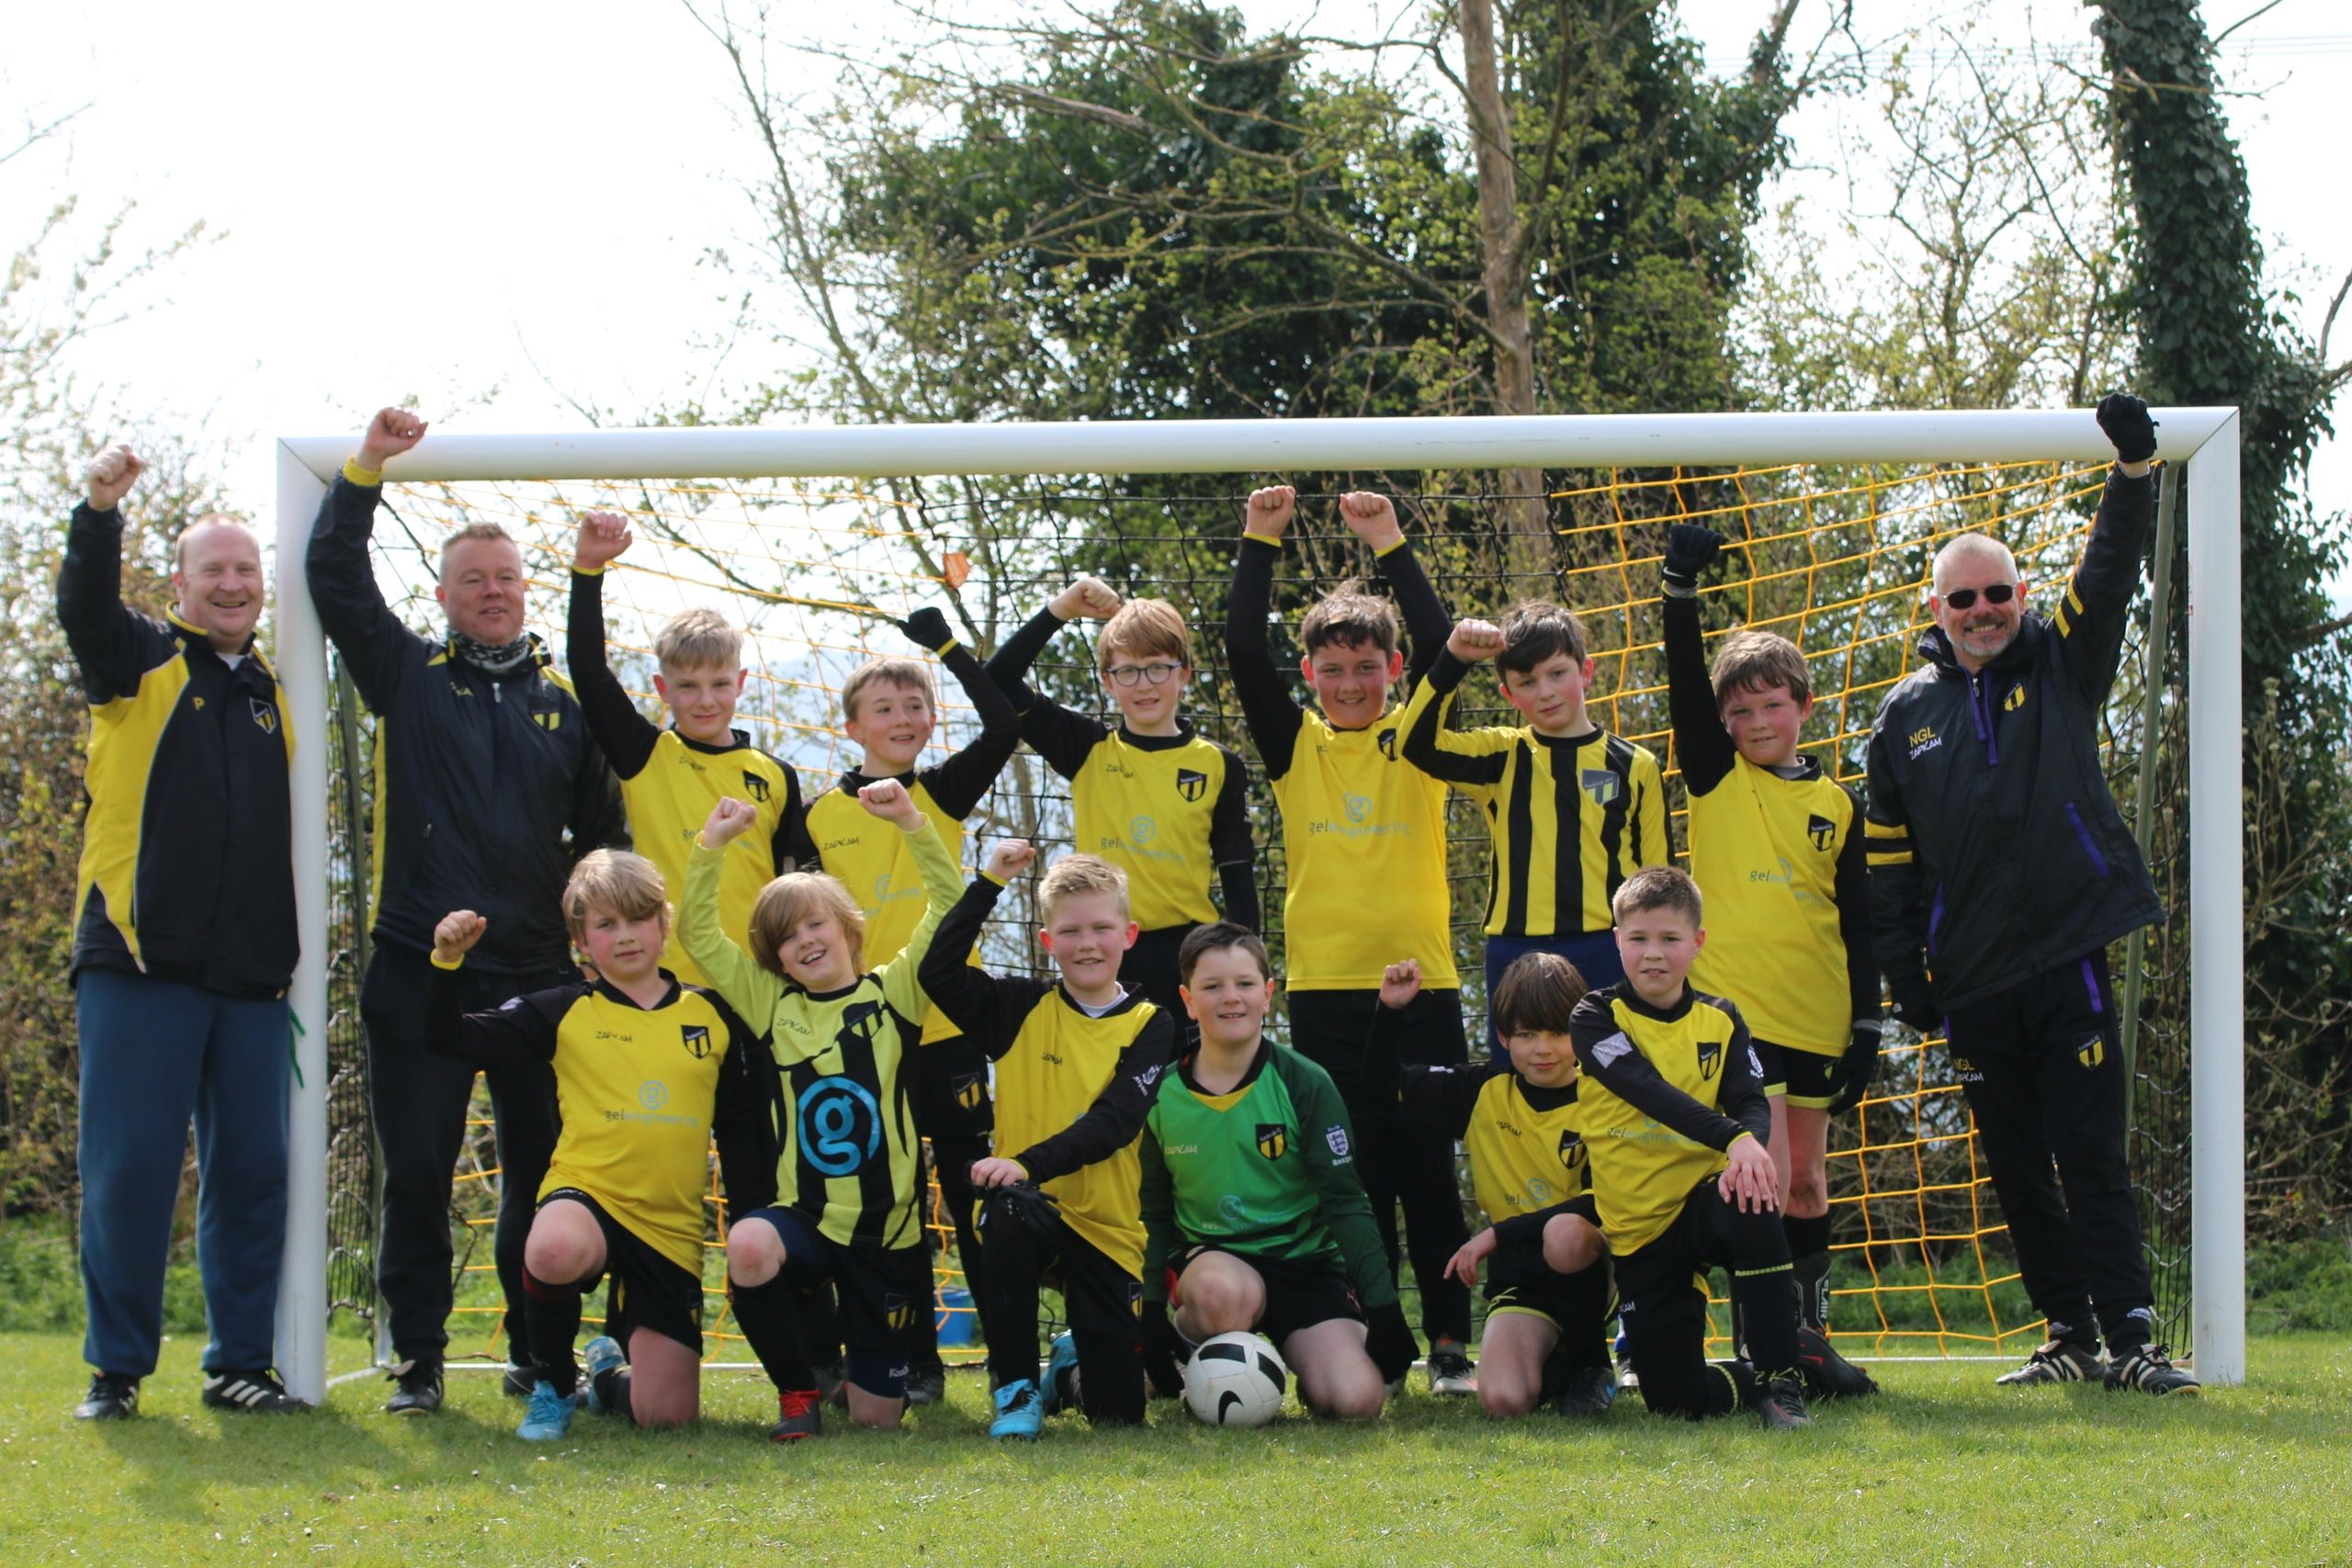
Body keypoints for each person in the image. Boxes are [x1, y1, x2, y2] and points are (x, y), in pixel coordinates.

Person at [1865, 393, 2195, 1394]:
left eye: (1996, 593)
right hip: (1969, 980)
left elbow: (2106, 570)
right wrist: (1903, 975)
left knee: (2088, 1151)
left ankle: (2134, 1335)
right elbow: (1888, 863)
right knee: (2012, 1163)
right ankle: (2067, 1331)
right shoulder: (1901, 717)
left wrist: (2131, 471)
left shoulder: (2060, 662)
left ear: (2018, 594)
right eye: (1961, 600)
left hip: (2066, 959)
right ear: (1934, 611)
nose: (1981, 612)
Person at [306, 408, 629, 1415]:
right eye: (472, 580)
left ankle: (543, 1358)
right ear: (444, 598)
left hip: (538, 976)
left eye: (506, 578)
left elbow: (603, 851)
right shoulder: (406, 677)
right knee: (417, 1174)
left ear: (523, 590)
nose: (492, 593)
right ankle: (417, 1360)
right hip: (420, 969)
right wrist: (365, 470)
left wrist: (596, 957)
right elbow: (334, 579)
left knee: (544, 1177)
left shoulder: (564, 708)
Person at [58, 444, 308, 1418]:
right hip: (137, 962)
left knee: (253, 1174)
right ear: (181, 585)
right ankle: (114, 1372)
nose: (235, 585)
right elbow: (82, 608)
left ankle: (239, 1364)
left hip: (250, 980)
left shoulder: (280, 694)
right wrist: (98, 512)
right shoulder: (140, 663)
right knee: (130, 1174)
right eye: (216, 571)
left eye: (247, 571)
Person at [1222, 486, 1475, 1394]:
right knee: (1355, 1179)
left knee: (1429, 1176)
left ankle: (1451, 1342)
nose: (1351, 683)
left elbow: (1453, 642)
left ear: (1393, 668)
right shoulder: (1297, 750)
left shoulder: (1417, 739)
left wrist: (1389, 539)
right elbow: (1242, 647)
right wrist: (1261, 539)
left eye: (1366, 666)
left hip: (1428, 988)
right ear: (1310, 676)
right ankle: (1385, 1336)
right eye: (1332, 670)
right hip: (1328, 996)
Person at [424, 851, 769, 1439]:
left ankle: (604, 1377)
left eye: (637, 919)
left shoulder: (713, 1014)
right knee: (553, 1247)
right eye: (605, 925)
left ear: (664, 922)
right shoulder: (562, 1009)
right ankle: (554, 1385)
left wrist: (750, 1222)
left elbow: (741, 1131)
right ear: (581, 940)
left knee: (667, 1418)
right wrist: (446, 963)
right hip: (590, 1196)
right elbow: (450, 1038)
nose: (625, 936)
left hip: (670, 1225)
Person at [1657, 526, 1881, 1393]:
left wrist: (1866, 1020)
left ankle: (1809, 1336)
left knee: (1810, 1182)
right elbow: (1684, 686)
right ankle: (1767, 1345)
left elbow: (1858, 923)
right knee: (1762, 1176)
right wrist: (1679, 591)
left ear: (1805, 705)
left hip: (1818, 1014)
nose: (1755, 722)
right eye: (1739, 711)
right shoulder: (1715, 777)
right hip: (1740, 1017)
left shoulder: (1839, 804)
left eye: (1770, 706)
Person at [779, 607, 1019, 1403]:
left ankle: (1008, 1356)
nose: (904, 718)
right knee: (887, 1202)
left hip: (948, 1024)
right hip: (862, 1037)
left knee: (972, 1186)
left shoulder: (944, 791)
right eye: (884, 708)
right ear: (852, 728)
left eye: (915, 706)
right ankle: (910, 1360)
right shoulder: (815, 816)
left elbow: (1004, 721)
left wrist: (946, 647)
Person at [686, 777, 963, 1437]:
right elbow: (696, 932)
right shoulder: (771, 1003)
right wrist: (711, 846)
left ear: (848, 927)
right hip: (805, 1219)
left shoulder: (895, 993)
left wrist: (911, 824)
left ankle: (860, 1367)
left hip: (884, 1235)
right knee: (748, 1244)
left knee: (876, 1423)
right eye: (787, 937)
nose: (805, 941)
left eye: (816, 923)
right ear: (775, 957)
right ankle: (796, 1390)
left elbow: (950, 907)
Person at [917, 845, 1176, 1439]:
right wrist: (990, 881)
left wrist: (1024, 1162)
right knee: (1005, 1214)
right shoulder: (1019, 1008)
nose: (1088, 942)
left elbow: (1113, 1122)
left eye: (1101, 928)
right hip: (1029, 1209)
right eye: (1071, 930)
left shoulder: (1151, 1023)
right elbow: (937, 972)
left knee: (1118, 1414)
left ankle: (1069, 1372)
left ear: (1129, 934)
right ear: (1046, 940)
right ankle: (1015, 1388)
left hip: (1106, 1226)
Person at [1136, 924, 1419, 1419]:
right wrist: (1152, 1313)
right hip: (1217, 1265)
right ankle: (1189, 1344)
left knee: (1357, 1401)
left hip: (1305, 1265)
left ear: (1268, 995)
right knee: (1225, 1297)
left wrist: (1383, 1308)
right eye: (1213, 986)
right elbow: (1155, 1216)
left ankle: (1306, 1362)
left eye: (1245, 984)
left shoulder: (1304, 1082)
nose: (1231, 999)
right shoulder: (1160, 1096)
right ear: (1186, 999)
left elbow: (1346, 1202)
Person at [1568, 867, 1812, 1428]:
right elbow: (1648, 1092)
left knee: (1752, 1195)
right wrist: (1734, 1137)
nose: (1654, 954)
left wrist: (1748, 1143)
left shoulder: (1722, 1019)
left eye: (1670, 939)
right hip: (1640, 1232)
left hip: (1704, 1199)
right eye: (1639, 939)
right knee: (1676, 1402)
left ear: (1697, 943)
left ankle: (1781, 1380)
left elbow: (1750, 1099)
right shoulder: (1594, 1016)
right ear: (1617, 940)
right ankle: (1802, 1364)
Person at [983, 579, 1258, 1014]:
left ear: (1184, 673)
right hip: (1103, 955)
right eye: (1127, 671)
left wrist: (1244, 973)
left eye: (1158, 668)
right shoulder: (1086, 747)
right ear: (1108, 682)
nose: (1143, 684)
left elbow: (1238, 876)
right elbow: (996, 678)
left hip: (1190, 957)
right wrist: (1064, 608)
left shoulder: (1219, 764)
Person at [1364, 952, 1617, 1419]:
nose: (1543, 1048)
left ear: (1578, 1031)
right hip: (1519, 1275)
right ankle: (1557, 1364)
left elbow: (1598, 1204)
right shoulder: (1482, 1091)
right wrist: (1390, 1012)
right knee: (1503, 1400)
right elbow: (1381, 1088)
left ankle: (1591, 1364)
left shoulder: (1603, 1095)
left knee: (1563, 1234)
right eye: (1526, 1034)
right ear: (1503, 1036)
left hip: (1592, 1263)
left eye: (1558, 1032)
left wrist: (1496, 1234)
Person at [567, 508, 803, 987]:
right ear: (662, 687)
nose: (705, 700)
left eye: (719, 684)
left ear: (739, 683)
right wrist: (588, 570)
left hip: (758, 983)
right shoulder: (645, 756)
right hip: (668, 983)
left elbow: (794, 886)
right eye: (688, 686)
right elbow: (589, 670)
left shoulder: (776, 775)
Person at [1399, 602, 1668, 1010]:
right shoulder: (1503, 754)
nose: (1545, 692)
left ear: (1586, 672)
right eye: (1527, 682)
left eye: (1557, 674)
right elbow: (1416, 744)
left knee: (1613, 1074)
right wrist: (1452, 660)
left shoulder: (1636, 766)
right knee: (1522, 1073)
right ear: (1508, 694)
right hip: (1516, 952)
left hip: (1609, 949)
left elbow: (1657, 880)